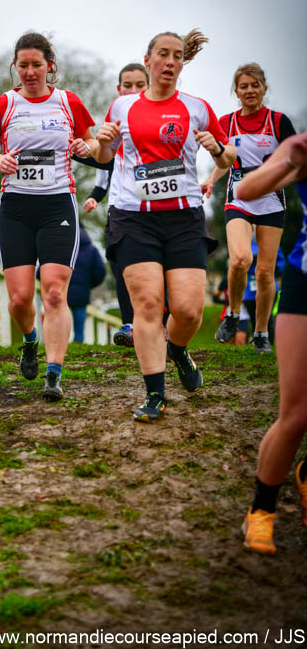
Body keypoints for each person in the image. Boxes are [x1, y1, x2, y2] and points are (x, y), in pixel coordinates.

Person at [90, 29, 236, 422]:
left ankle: (177, 349)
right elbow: (104, 156)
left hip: (183, 217)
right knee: (149, 305)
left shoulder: (197, 108)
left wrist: (217, 149)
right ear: (149, 59)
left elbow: (228, 158)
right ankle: (155, 394)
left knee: (187, 310)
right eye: (163, 54)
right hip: (133, 217)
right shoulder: (122, 107)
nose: (170, 62)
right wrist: (102, 141)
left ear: (182, 62)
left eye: (177, 56)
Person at [0, 31, 95, 401]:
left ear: (49, 66)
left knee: (54, 291)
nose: (29, 71)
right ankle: (29, 340)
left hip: (57, 204)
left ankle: (54, 372)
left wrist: (86, 146)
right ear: (15, 66)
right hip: (15, 208)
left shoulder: (68, 102)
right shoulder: (3, 104)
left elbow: (94, 144)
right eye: (23, 65)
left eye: (36, 65)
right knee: (20, 298)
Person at [237, 132, 307, 555]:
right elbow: (246, 190)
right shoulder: (302, 146)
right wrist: (291, 163)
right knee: (296, 415)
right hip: (305, 285)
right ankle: (261, 510)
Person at [201, 63, 296, 353]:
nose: (250, 90)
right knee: (240, 259)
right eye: (244, 86)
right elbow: (224, 159)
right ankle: (232, 314)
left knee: (265, 272)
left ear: (264, 88)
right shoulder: (227, 123)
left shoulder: (278, 122)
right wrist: (210, 180)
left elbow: (294, 159)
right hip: (238, 198)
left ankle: (262, 333)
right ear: (236, 91)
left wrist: (281, 178)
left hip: (270, 200)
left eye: (255, 85)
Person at [82, 63, 150, 347]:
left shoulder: (159, 120)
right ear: (118, 89)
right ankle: (129, 324)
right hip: (121, 209)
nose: (133, 91)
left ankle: (162, 325)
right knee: (121, 265)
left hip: (157, 209)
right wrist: (93, 197)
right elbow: (104, 167)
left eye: (140, 85)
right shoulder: (112, 124)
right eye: (127, 86)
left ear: (149, 86)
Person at [67, 224, 106, 342]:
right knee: (79, 331)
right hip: (81, 294)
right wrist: (88, 285)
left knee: (58, 325)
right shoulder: (91, 250)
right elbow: (101, 271)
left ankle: (58, 349)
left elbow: (40, 273)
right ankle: (78, 346)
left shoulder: (60, 246)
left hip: (61, 293)